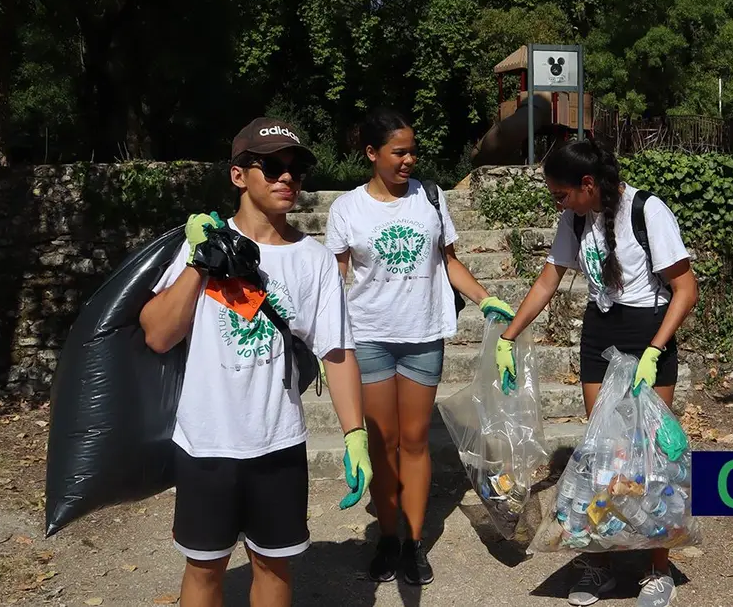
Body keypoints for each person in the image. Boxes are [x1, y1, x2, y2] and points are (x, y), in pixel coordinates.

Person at [139, 117, 372, 607]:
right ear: (239, 175)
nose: (286, 177)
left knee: (273, 566)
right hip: (207, 442)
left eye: (296, 170)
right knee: (204, 569)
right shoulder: (199, 244)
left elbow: (337, 351)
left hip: (278, 442)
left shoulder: (313, 260)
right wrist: (200, 262)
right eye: (271, 166)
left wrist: (355, 435)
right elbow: (159, 334)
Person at [495, 138, 699, 607]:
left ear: (588, 184)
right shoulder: (575, 217)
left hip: (650, 329)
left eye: (561, 194)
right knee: (604, 453)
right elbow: (550, 277)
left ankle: (656, 567)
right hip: (599, 331)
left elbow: (686, 289)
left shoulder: (647, 211)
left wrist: (654, 350)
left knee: (651, 459)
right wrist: (509, 336)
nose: (558, 203)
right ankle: (600, 560)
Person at [324, 108, 515, 585]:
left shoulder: (430, 198)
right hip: (367, 336)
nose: (409, 160)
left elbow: (449, 262)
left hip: (423, 336)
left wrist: (486, 297)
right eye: (398, 152)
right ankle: (386, 538)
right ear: (372, 154)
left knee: (414, 442)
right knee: (382, 444)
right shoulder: (346, 209)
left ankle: (412, 542)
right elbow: (335, 277)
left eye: (413, 150)